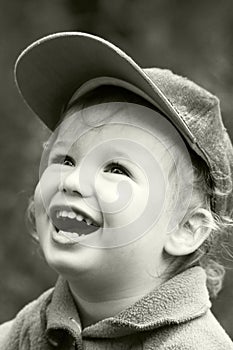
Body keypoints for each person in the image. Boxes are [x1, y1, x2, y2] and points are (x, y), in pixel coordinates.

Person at [0, 32, 233, 349]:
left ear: (186, 229)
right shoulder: (19, 336)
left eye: (116, 169)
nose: (72, 182)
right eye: (65, 160)